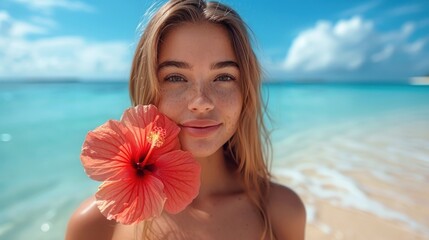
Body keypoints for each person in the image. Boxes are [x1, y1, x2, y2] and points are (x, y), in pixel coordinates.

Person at [66, 0, 306, 239]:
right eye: (175, 77)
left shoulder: (281, 211)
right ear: (147, 86)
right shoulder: (96, 224)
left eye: (223, 76)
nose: (201, 101)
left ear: (245, 93)